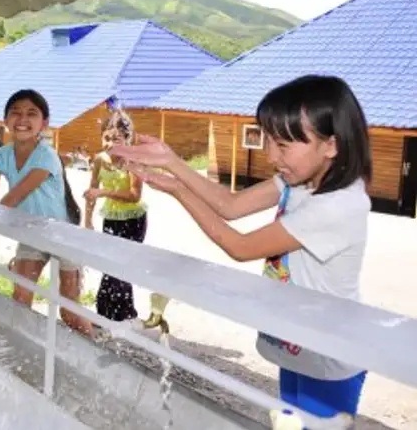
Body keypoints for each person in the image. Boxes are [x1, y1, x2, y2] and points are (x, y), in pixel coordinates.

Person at [112, 75, 372, 420]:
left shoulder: (337, 204)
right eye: (268, 141)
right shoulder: (301, 179)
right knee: (292, 423)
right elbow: (231, 205)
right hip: (299, 335)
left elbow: (239, 245)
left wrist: (178, 190)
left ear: (332, 145)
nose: (270, 156)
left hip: (329, 351)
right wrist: (172, 164)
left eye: (283, 145)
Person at [0, 89, 92, 337]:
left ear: (44, 123)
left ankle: (92, 361)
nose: (22, 119)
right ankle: (27, 352)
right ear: (5, 120)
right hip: (31, 233)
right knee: (20, 299)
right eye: (16, 113)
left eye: (31, 114)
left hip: (63, 235)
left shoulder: (46, 155)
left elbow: (13, 198)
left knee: (69, 311)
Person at [83, 109, 148, 324]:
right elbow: (91, 190)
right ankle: (120, 313)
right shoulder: (100, 160)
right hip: (111, 218)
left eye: (116, 139)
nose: (110, 144)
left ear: (127, 139)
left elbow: (134, 195)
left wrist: (103, 192)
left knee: (121, 266)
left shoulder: (134, 162)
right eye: (106, 138)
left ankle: (110, 314)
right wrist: (88, 221)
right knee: (109, 264)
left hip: (133, 221)